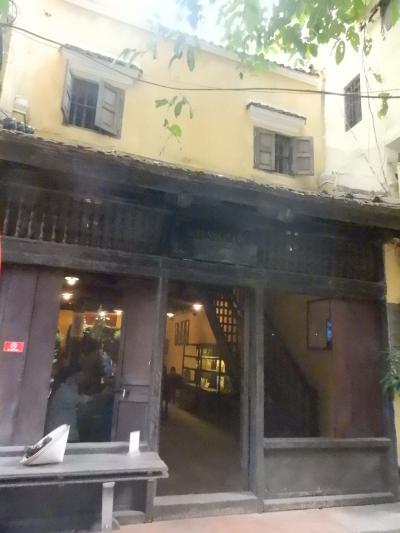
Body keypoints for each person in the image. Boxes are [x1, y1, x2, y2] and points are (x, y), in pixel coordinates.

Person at [45, 367, 90, 442]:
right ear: (70, 377)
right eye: (79, 375)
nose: (83, 378)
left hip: (64, 430)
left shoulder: (71, 388)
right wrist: (95, 398)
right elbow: (79, 400)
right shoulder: (63, 391)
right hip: (59, 432)